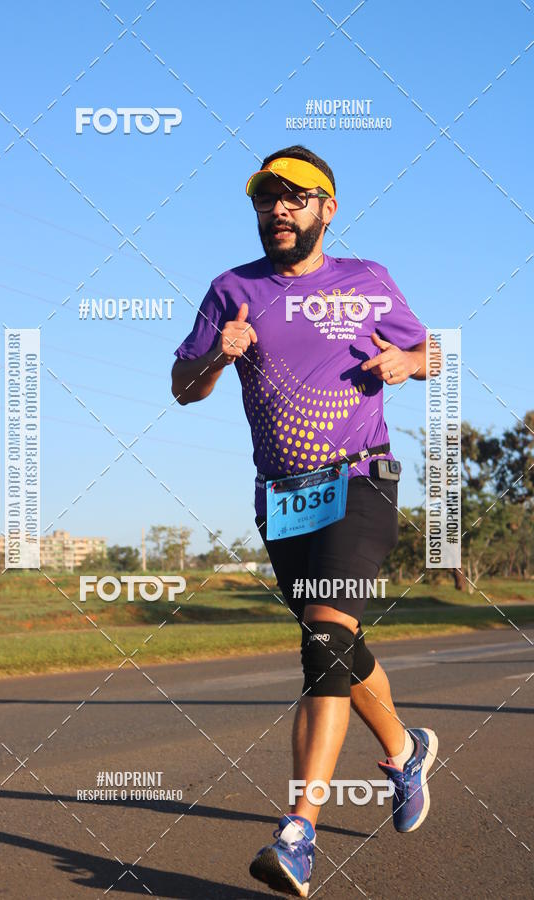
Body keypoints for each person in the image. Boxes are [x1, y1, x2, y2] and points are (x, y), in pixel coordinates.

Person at [171, 145, 438, 898]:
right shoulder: (231, 290)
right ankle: (404, 748)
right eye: (266, 198)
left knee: (322, 640)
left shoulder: (367, 280)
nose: (278, 208)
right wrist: (218, 359)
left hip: (360, 480)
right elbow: (182, 388)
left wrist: (407, 365)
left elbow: (438, 351)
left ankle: (298, 833)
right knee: (338, 645)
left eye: (295, 197)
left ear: (327, 208)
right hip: (283, 497)